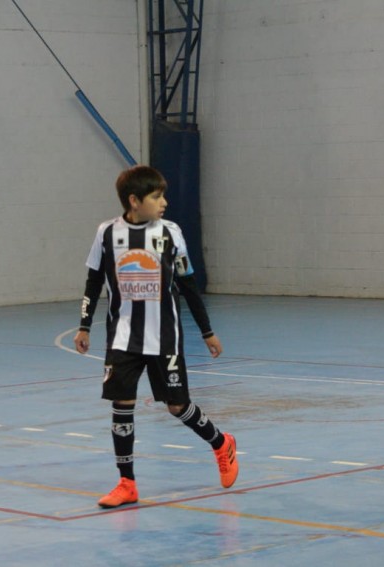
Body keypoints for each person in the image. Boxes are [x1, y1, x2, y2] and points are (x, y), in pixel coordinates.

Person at [73, 165, 238, 508]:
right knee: (122, 404)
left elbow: (188, 285)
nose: (164, 202)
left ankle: (221, 442)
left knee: (177, 406)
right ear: (134, 201)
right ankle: (127, 483)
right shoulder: (106, 233)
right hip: (122, 337)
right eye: (157, 196)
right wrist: (84, 325)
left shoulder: (170, 233)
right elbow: (93, 282)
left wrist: (207, 331)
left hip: (164, 337)